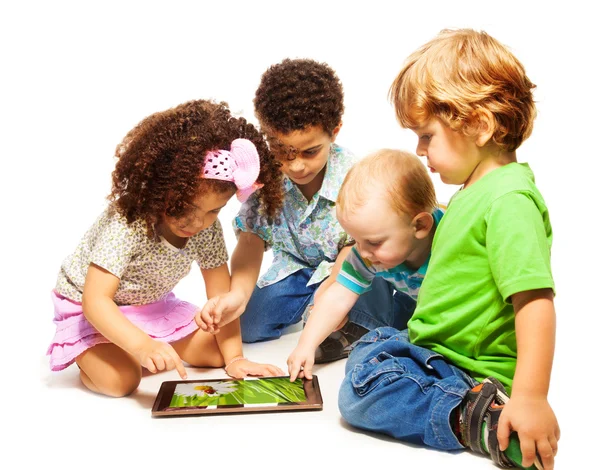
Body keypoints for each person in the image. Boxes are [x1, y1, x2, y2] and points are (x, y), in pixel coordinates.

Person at [338, 29, 560, 470]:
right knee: (375, 344)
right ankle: (459, 402)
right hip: (439, 349)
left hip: (467, 367)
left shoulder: (508, 200)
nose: (419, 151)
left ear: (477, 124)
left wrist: (532, 398)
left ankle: (471, 418)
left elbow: (534, 301)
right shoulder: (475, 191)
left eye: (426, 136)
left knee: (361, 387)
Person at [47, 99, 284, 398]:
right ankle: (95, 349)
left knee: (216, 355)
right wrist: (141, 346)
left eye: (213, 211)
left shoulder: (206, 228)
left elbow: (220, 295)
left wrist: (235, 359)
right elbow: (96, 301)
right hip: (92, 308)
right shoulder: (128, 221)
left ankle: (144, 338)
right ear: (163, 186)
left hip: (149, 305)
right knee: (121, 382)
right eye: (187, 207)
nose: (197, 222)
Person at [198, 58, 397, 363]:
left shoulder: (354, 177)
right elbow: (250, 241)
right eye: (282, 150)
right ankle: (317, 312)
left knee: (364, 301)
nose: (296, 165)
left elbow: (356, 249)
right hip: (299, 269)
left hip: (355, 265)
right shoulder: (266, 179)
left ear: (335, 131)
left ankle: (359, 326)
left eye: (310, 151)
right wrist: (237, 294)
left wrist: (331, 292)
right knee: (247, 325)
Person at [287, 149, 443, 381]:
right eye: (356, 240)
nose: (362, 251)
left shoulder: (450, 244)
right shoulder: (367, 251)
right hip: (411, 302)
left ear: (420, 226)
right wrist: (306, 345)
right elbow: (339, 294)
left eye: (373, 242)